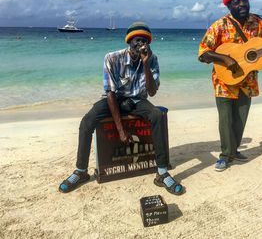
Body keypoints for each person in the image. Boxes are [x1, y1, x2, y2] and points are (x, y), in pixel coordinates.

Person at [59, 22, 184, 195]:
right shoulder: (112, 58)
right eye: (137, 41)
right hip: (115, 99)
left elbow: (152, 92)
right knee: (87, 121)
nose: (141, 45)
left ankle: (161, 172)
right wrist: (121, 130)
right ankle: (81, 171)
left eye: (145, 42)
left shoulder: (152, 59)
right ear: (129, 42)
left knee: (157, 116)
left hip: (138, 100)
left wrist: (146, 64)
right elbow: (110, 92)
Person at [198, 0, 262, 171]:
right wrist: (224, 58)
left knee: (241, 118)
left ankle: (234, 150)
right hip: (224, 80)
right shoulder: (219, 26)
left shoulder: (259, 23)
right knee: (226, 119)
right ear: (228, 6)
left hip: (248, 79)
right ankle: (225, 156)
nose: (242, 5)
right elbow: (203, 53)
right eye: (237, 2)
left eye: (244, 1)